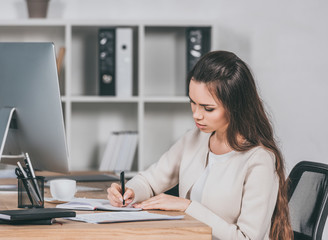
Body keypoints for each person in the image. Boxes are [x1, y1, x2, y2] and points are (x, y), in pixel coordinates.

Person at [107, 50, 293, 239]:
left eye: (208, 108)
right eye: (193, 102)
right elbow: (150, 181)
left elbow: (248, 238)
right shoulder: (194, 138)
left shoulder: (259, 160)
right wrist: (129, 191)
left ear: (236, 106)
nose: (196, 114)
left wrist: (187, 206)